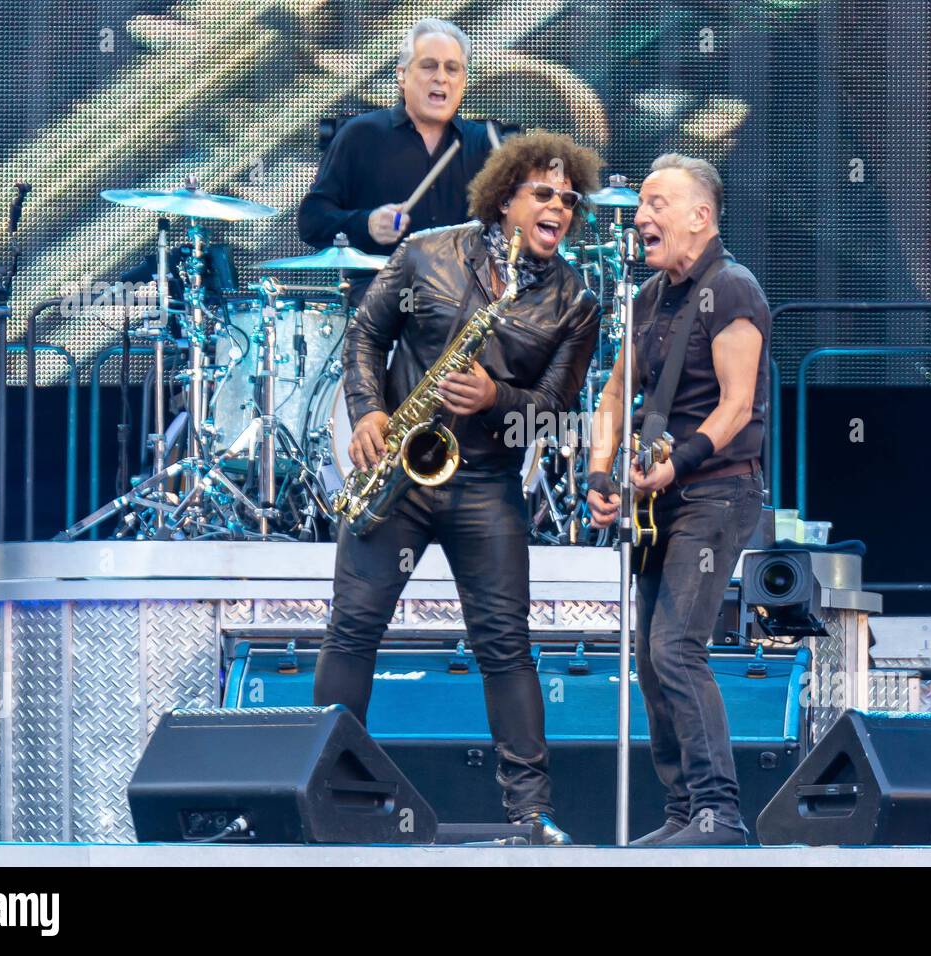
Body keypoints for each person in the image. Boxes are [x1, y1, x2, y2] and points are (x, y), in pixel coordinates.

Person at [315, 131, 603, 844]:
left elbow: (555, 408)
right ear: (506, 198)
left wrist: (497, 397)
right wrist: (370, 411)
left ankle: (531, 815)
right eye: (544, 194)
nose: (559, 208)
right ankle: (325, 793)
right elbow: (363, 335)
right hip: (399, 474)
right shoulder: (427, 253)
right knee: (352, 632)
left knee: (506, 646)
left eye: (569, 200)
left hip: (485, 483)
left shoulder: (575, 301)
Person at [587, 154, 771, 846]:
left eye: (656, 205)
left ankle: (720, 812)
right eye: (640, 207)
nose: (639, 219)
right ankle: (680, 812)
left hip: (717, 493)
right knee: (648, 658)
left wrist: (677, 464)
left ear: (701, 216)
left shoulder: (733, 290)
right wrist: (602, 477)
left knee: (675, 648)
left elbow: (736, 405)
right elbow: (612, 395)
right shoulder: (649, 300)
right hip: (658, 500)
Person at [297, 18, 492, 259]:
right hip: (380, 291)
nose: (441, 78)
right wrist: (366, 224)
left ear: (463, 81)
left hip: (463, 293)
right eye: (429, 66)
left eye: (452, 69)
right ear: (402, 75)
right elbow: (311, 220)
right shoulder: (361, 135)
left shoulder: (486, 145)